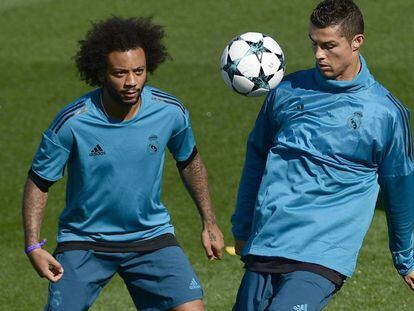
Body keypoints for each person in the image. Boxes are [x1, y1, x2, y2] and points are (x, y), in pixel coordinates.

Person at [22, 16, 224, 311]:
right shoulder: (73, 122)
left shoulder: (170, 112)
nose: (131, 82)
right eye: (120, 73)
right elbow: (39, 182)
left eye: (139, 71)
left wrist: (209, 222)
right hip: (84, 240)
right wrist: (32, 246)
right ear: (101, 72)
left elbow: (189, 161)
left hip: (150, 236)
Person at [231, 0, 414, 310]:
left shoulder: (385, 113)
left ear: (357, 42)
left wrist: (405, 258)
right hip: (269, 241)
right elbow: (256, 157)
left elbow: (400, 186)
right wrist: (243, 225)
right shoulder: (286, 91)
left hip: (322, 253)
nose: (318, 54)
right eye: (314, 44)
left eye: (329, 46)